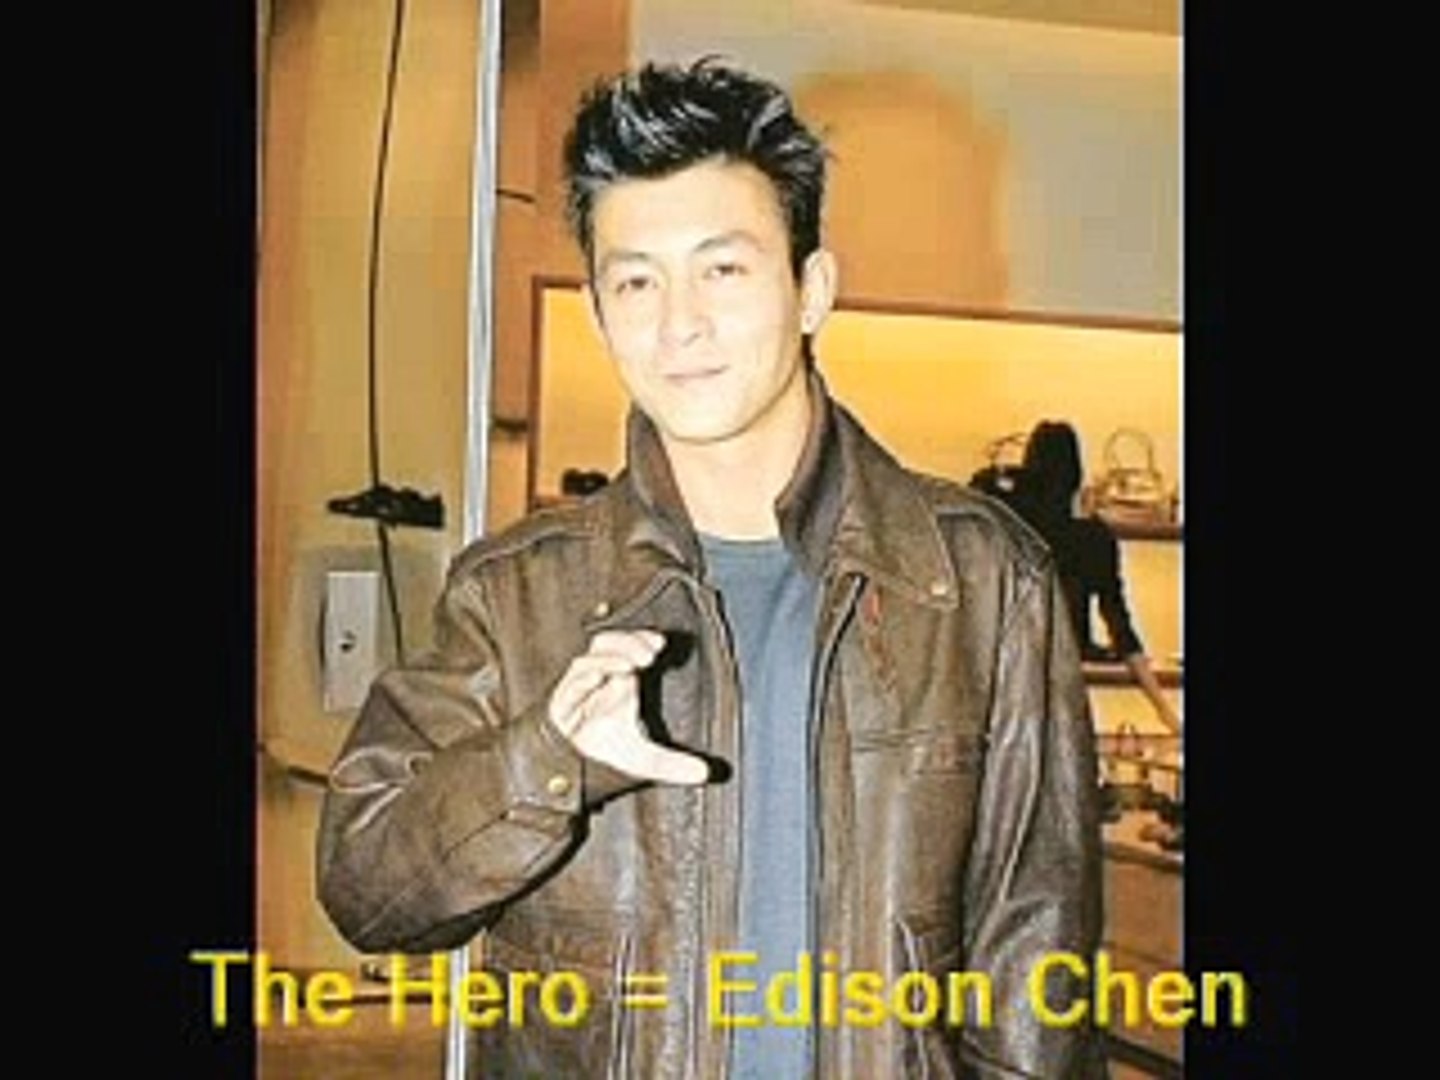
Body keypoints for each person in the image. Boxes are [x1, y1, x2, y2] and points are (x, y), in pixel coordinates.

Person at [317, 58, 1106, 1078]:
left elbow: (1039, 965)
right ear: (600, 310)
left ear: (811, 290)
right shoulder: (513, 595)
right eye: (636, 281)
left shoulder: (982, 582)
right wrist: (550, 759)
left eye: (723, 270)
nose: (677, 323)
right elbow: (367, 892)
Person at [1011, 420, 1182, 735]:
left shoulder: (1012, 529)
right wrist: (1164, 709)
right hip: (1073, 655)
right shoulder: (1094, 537)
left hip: (1016, 660)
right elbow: (1120, 624)